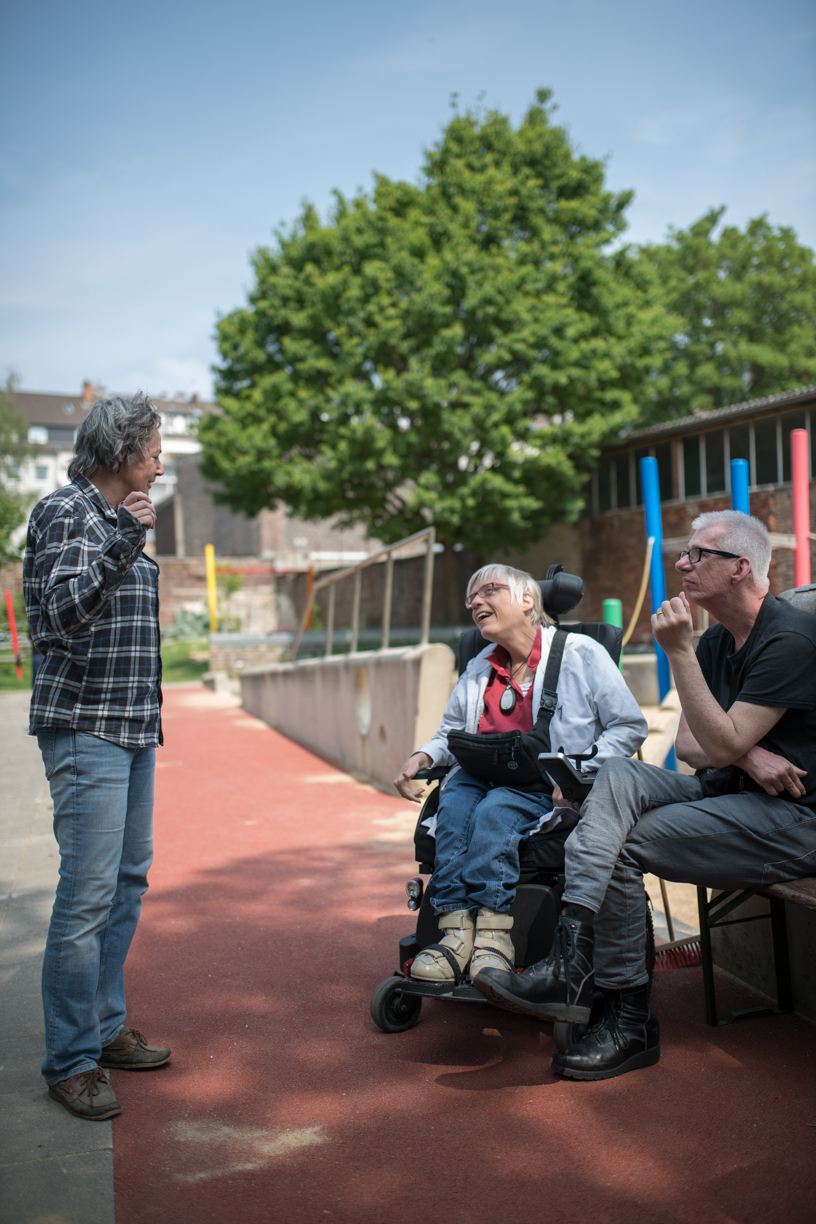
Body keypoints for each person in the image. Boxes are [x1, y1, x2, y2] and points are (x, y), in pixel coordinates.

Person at [476, 511, 816, 1081]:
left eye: (697, 554)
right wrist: (748, 754)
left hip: (794, 817)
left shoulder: (789, 638)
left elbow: (717, 740)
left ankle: (627, 1016)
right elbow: (690, 745)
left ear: (740, 568)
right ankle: (571, 959)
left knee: (618, 844)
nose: (681, 564)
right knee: (617, 773)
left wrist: (679, 655)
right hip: (726, 791)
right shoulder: (716, 639)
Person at [24, 392, 172, 1121]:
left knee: (126, 884)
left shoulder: (121, 518)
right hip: (86, 727)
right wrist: (124, 540)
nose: (161, 466)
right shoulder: (67, 512)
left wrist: (128, 535)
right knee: (86, 896)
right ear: (121, 453)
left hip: (133, 728)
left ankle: (104, 1028)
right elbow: (58, 615)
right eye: (154, 453)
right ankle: (70, 1059)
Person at [394, 564, 647, 984]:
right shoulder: (480, 665)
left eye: (489, 590)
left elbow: (628, 726)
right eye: (471, 598)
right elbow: (452, 733)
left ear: (527, 600)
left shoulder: (581, 653)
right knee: (453, 805)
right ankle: (454, 934)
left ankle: (494, 939)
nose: (476, 602)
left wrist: (577, 771)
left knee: (495, 810)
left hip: (542, 782)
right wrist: (422, 757)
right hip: (479, 773)